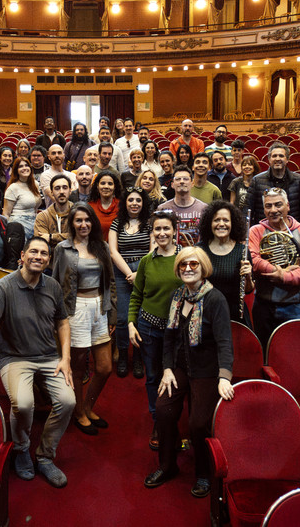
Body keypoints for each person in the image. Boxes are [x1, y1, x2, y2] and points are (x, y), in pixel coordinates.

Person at [0, 236, 75, 488]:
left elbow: (63, 322)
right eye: (33, 252)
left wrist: (66, 358)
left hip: (48, 357)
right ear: (22, 255)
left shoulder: (52, 286)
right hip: (14, 358)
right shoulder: (3, 287)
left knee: (67, 401)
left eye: (43, 253)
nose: (38, 256)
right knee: (23, 404)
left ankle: (45, 456)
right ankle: (21, 449)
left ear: (48, 260)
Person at [143, 247, 234, 498]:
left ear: (203, 268)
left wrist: (224, 377)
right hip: (180, 366)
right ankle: (167, 466)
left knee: (198, 423)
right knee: (163, 409)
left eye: (193, 264)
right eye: (183, 265)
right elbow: (169, 338)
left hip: (207, 370)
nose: (187, 269)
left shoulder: (215, 299)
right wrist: (167, 369)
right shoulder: (178, 295)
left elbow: (225, 342)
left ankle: (203, 473)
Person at [51, 204, 117, 437]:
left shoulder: (102, 246)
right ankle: (79, 412)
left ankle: (88, 406)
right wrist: (57, 317)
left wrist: (112, 313)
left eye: (87, 220)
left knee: (105, 367)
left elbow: (110, 282)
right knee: (78, 368)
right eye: (78, 220)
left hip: (100, 307)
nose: (83, 224)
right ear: (72, 223)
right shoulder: (63, 248)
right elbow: (54, 283)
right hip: (75, 310)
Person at [128, 210, 183, 450]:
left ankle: (173, 420)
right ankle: (158, 421)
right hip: (149, 327)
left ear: (174, 231)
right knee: (152, 377)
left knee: (176, 378)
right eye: (157, 229)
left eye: (166, 228)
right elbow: (136, 295)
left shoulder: (185, 258)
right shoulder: (146, 261)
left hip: (178, 330)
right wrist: (131, 323)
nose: (162, 233)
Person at [248, 187, 300, 344]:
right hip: (264, 304)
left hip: (296, 305)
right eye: (268, 206)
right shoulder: (255, 231)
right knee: (264, 349)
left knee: (297, 349)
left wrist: (285, 277)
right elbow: (253, 259)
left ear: (288, 206)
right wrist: (277, 270)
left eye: (278, 204)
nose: (273, 210)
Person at [108, 187, 151, 379]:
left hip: (145, 272)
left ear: (143, 203)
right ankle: (124, 356)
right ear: (125, 203)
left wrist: (138, 274)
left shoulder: (149, 223)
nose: (134, 203)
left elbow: (153, 250)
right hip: (122, 273)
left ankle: (138, 358)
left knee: (141, 317)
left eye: (138, 200)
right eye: (131, 200)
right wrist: (129, 274)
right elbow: (113, 252)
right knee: (122, 318)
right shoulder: (116, 223)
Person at [200, 201, 253, 324]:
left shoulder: (242, 251)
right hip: (207, 313)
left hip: (234, 314)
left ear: (232, 223)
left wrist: (248, 277)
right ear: (209, 223)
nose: (221, 224)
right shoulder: (200, 250)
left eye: (226, 220)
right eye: (216, 220)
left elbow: (248, 290)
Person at [250, 142, 300, 224]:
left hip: (291, 229)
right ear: (269, 159)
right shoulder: (256, 180)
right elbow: (248, 210)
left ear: (287, 159)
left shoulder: (299, 180)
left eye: (281, 156)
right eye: (274, 156)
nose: (277, 159)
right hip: (264, 229)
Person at [158, 165, 208, 246]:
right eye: (178, 179)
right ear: (172, 184)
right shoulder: (163, 209)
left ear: (192, 183)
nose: (182, 181)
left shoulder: (203, 208)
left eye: (185, 179)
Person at [3, 157, 42, 239]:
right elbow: (6, 214)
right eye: (20, 166)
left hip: (34, 222)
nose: (24, 168)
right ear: (16, 170)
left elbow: (35, 207)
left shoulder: (35, 184)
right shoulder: (13, 188)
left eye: (26, 165)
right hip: (19, 224)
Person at [35, 173, 75, 245]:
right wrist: (68, 236)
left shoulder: (79, 213)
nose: (61, 191)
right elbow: (41, 242)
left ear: (70, 191)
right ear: (52, 192)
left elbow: (80, 237)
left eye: (65, 187)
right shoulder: (43, 216)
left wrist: (51, 237)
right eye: (57, 188)